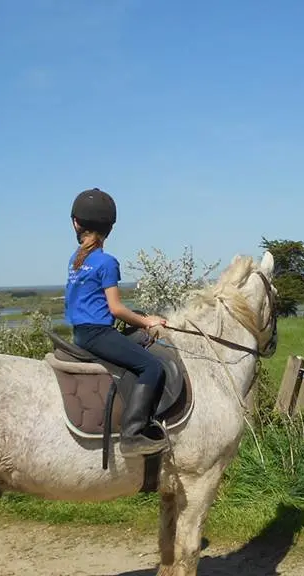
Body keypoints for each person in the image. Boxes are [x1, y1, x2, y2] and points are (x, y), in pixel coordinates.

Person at [65, 187, 170, 456]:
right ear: (110, 228)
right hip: (98, 334)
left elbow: (93, 301)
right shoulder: (106, 262)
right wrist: (146, 321)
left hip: (80, 334)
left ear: (76, 223)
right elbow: (115, 308)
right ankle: (132, 435)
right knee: (152, 367)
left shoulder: (76, 259)